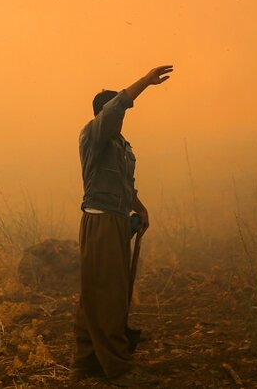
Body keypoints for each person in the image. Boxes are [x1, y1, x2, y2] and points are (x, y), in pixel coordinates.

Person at [71, 65, 174, 386]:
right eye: (116, 115)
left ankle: (86, 362)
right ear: (104, 115)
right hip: (100, 222)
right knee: (108, 294)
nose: (121, 121)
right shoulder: (94, 134)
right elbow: (117, 107)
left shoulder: (119, 146)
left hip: (116, 221)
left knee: (99, 291)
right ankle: (117, 367)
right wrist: (144, 81)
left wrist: (139, 210)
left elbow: (125, 185)